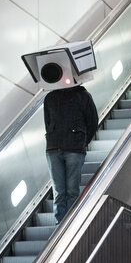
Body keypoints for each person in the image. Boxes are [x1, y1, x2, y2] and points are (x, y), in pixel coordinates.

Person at [43, 85, 98, 224]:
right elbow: (92, 121)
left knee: (61, 192)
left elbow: (92, 122)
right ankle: (65, 227)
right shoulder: (83, 96)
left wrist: (82, 142)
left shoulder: (51, 97)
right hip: (66, 147)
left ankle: (65, 226)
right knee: (68, 191)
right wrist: (82, 141)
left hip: (59, 147)